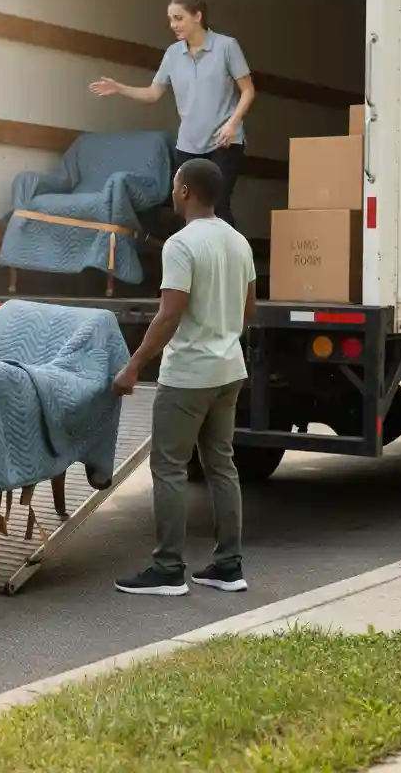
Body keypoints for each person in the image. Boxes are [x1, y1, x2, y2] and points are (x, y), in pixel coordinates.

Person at [112, 158, 256, 597]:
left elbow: (169, 315)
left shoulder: (180, 244)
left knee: (169, 467)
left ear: (187, 192)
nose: (172, 193)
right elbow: (248, 310)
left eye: (175, 186)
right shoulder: (238, 242)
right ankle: (228, 566)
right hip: (228, 371)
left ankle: (168, 569)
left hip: (188, 376)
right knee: (222, 466)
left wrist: (133, 366)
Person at [89, 0, 255, 228]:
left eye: (178, 18)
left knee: (217, 206)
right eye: (170, 19)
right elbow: (153, 94)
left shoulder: (226, 46)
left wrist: (232, 123)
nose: (173, 25)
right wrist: (119, 88)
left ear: (197, 16)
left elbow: (248, 91)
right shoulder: (173, 54)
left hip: (224, 141)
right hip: (188, 143)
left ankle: (231, 252)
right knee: (186, 209)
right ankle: (195, 252)